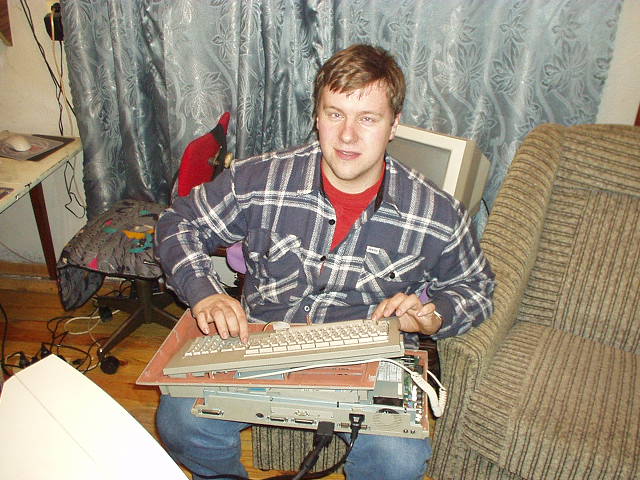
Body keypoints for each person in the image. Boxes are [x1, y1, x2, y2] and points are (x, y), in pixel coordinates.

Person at [154, 44, 495, 480]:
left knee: (398, 461)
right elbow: (179, 223)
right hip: (261, 344)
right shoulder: (259, 179)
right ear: (316, 116)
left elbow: (476, 289)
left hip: (367, 358)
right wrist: (205, 293)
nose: (347, 136)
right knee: (181, 420)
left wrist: (435, 315)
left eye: (367, 118)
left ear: (394, 125)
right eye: (335, 114)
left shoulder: (437, 213)